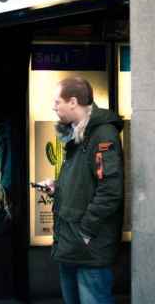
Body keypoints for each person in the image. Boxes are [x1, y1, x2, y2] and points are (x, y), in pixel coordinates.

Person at [41, 77, 124, 304]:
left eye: (57, 101)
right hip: (72, 243)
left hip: (88, 248)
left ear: (73, 102)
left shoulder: (102, 135)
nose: (53, 107)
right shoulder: (78, 135)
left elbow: (110, 191)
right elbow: (85, 183)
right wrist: (57, 188)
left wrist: (85, 232)